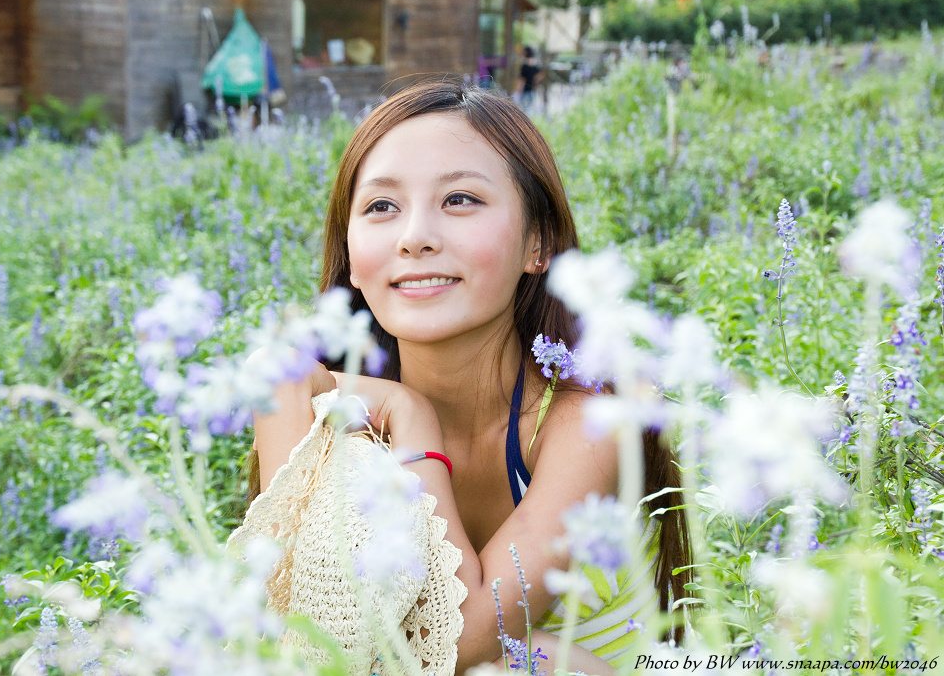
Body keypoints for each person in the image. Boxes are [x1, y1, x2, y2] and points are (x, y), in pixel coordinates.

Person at [244, 79, 690, 674]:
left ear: (539, 242)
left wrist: (412, 421)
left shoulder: (591, 420)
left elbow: (461, 645)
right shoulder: (311, 406)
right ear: (350, 255)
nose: (415, 237)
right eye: (381, 207)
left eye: (460, 200)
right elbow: (300, 642)